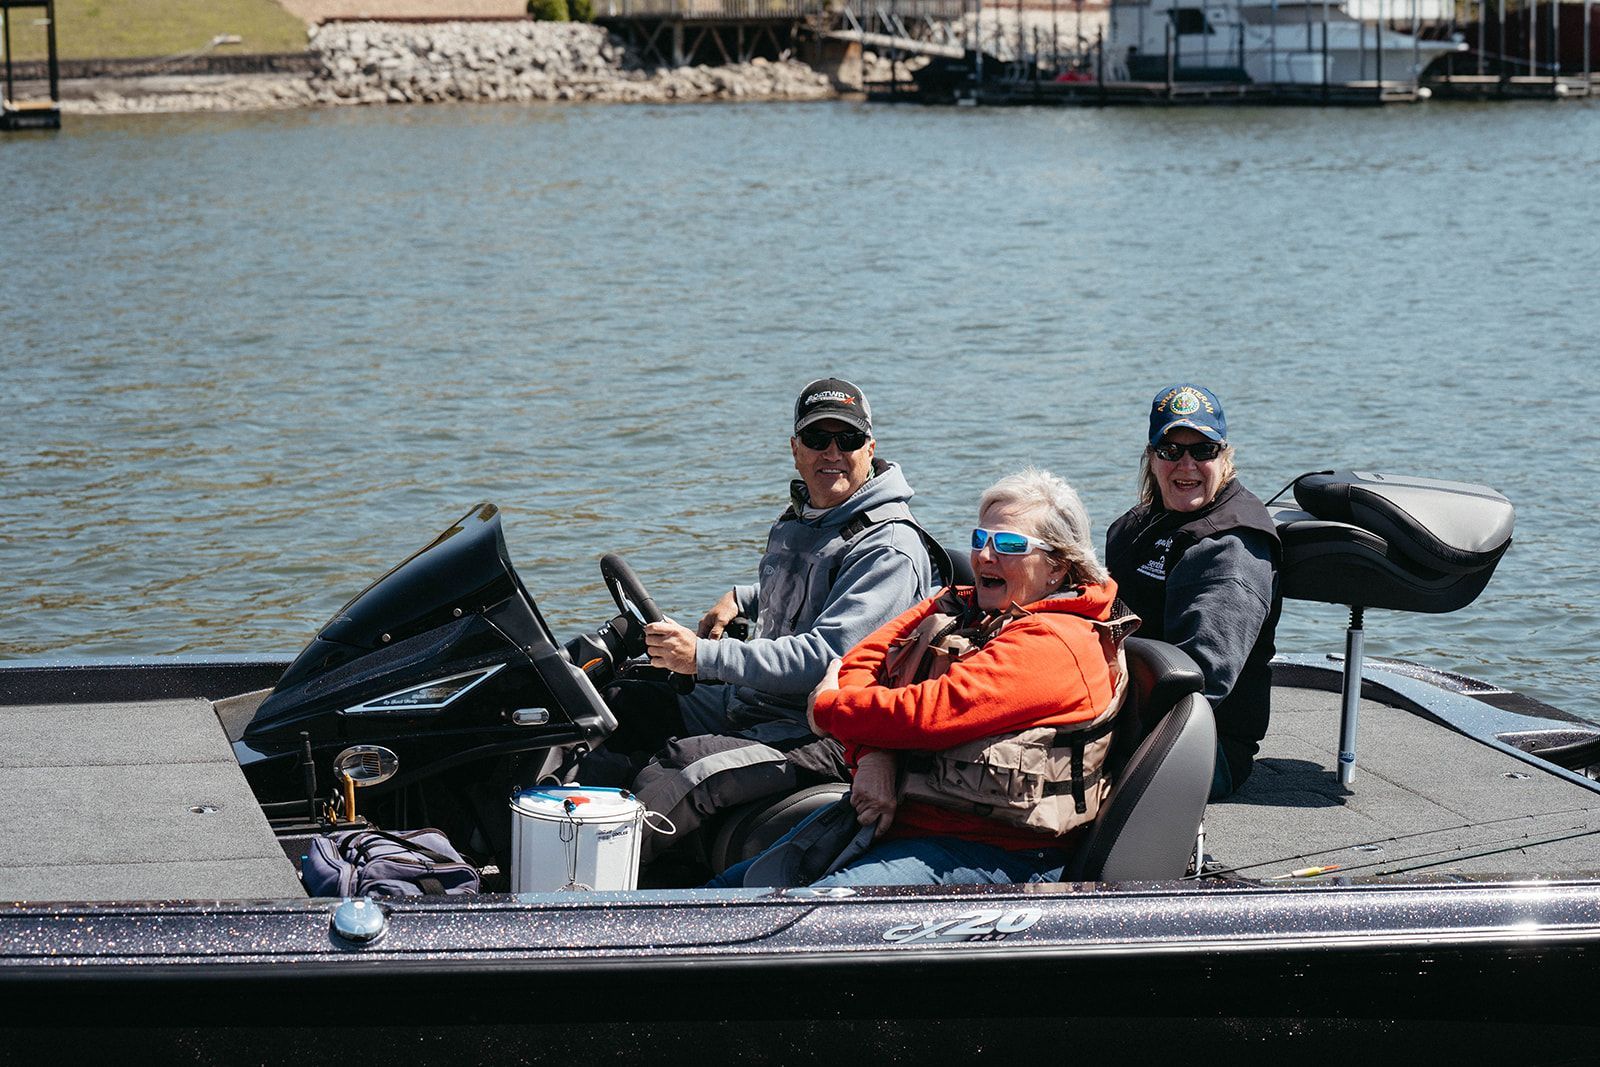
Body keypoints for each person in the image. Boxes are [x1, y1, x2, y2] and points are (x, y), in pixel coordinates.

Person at [715, 467, 1125, 888]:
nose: (984, 556)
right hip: (905, 819)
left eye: (1008, 544)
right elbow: (861, 660)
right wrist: (872, 755)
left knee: (802, 920)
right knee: (727, 892)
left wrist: (828, 708)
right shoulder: (962, 606)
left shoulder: (1056, 642)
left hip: (994, 850)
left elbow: (927, 713)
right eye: (980, 539)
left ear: (1057, 567)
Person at [601, 378, 943, 863]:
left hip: (822, 730)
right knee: (624, 698)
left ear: (870, 449)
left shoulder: (888, 547)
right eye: (816, 439)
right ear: (795, 449)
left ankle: (589, 898)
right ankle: (538, 827)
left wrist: (701, 656)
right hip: (756, 702)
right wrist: (743, 598)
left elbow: (828, 658)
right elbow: (816, 585)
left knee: (682, 769)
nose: (832, 453)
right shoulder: (807, 517)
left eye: (846, 440)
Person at [1104, 383, 1281, 799]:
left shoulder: (1233, 547)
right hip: (1123, 707)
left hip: (1200, 746)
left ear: (1225, 455)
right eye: (1171, 451)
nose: (1186, 465)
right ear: (1151, 456)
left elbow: (1201, 680)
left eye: (1202, 451)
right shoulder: (1134, 526)